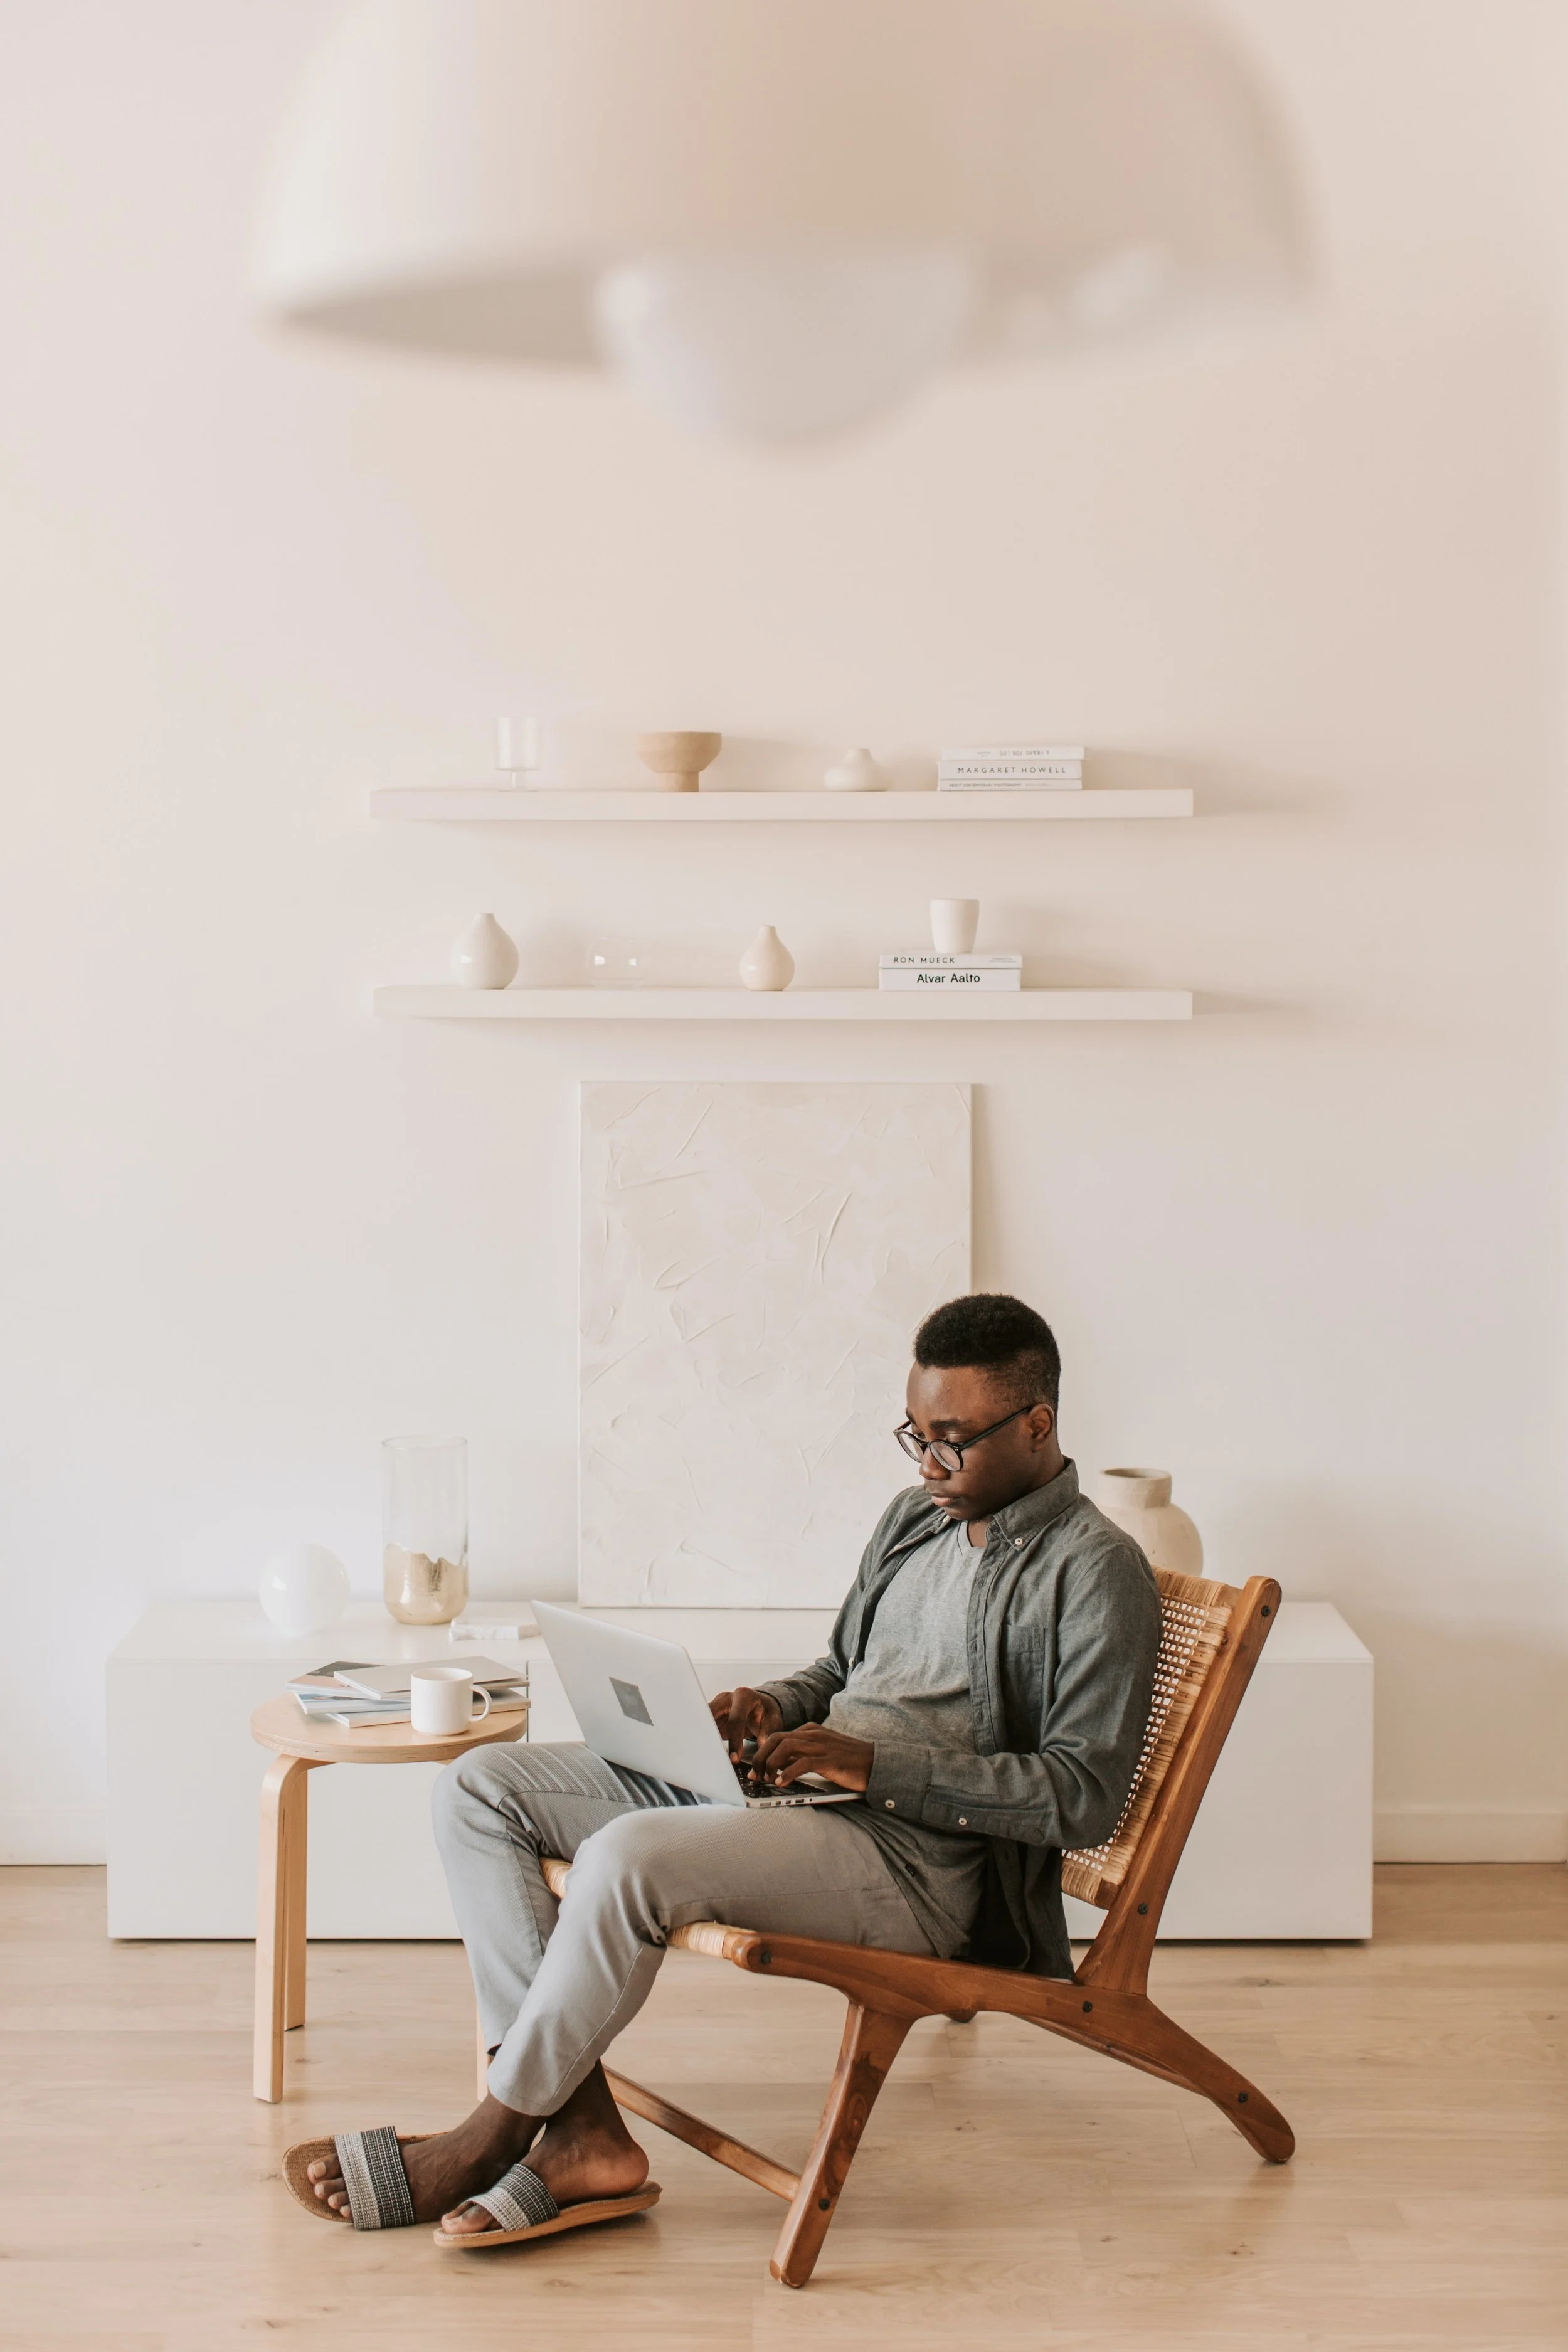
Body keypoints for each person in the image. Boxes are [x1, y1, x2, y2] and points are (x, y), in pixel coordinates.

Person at [300, 1293, 1161, 2241]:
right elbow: (841, 1670)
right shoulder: (913, 1520)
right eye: (914, 1433)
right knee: (478, 1789)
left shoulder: (1095, 1570)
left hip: (916, 1864)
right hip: (804, 1796)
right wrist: (774, 1707)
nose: (927, 1463)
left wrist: (872, 1766)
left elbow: (1081, 1796)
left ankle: (493, 2128)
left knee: (628, 1857)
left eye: (951, 1440)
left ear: (1037, 1424)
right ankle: (582, 2126)